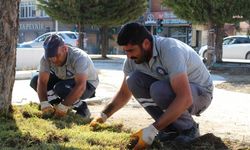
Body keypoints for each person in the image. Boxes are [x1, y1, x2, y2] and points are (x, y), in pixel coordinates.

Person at [90, 22, 213, 149]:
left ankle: (189, 129)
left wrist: (153, 129)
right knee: (133, 80)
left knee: (158, 90)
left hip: (201, 93)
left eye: (131, 50)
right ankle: (169, 130)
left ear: (146, 44)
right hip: (176, 91)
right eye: (125, 51)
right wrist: (103, 115)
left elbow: (185, 97)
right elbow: (124, 93)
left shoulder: (170, 50)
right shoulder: (132, 60)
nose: (129, 56)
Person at [30, 34, 99, 118]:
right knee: (35, 80)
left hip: (87, 85)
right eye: (50, 57)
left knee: (60, 88)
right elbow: (42, 82)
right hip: (64, 80)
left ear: (65, 49)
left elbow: (81, 85)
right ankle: (56, 105)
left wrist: (64, 106)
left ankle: (82, 108)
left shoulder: (79, 57)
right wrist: (44, 102)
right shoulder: (46, 58)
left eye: (56, 56)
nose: (53, 60)